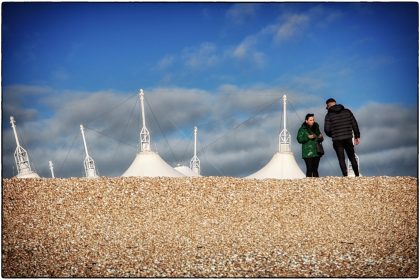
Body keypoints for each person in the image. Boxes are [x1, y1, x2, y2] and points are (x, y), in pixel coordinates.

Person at [324, 98, 360, 176]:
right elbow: (354, 124)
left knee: (341, 158)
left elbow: (326, 130)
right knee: (352, 156)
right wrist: (357, 136)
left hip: (337, 139)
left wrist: (333, 134)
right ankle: (357, 175)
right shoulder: (347, 111)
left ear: (328, 105)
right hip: (348, 137)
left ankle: (345, 176)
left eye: (327, 107)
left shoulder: (328, 115)